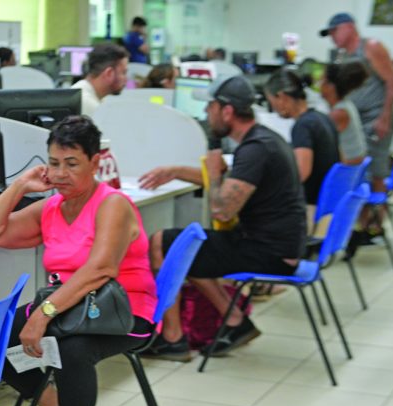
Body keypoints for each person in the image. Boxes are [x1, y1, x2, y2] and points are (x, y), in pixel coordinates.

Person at [0, 116, 157, 406]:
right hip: (73, 309)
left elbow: (101, 268)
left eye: (72, 164)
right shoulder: (51, 208)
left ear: (95, 162)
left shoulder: (113, 205)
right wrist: (21, 185)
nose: (61, 173)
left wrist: (42, 315)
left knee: (73, 351)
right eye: (54, 163)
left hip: (125, 311)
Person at [143, 75, 307, 361]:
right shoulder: (263, 139)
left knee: (165, 243)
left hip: (269, 252)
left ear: (227, 111)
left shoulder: (255, 149)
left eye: (211, 108)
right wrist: (177, 171)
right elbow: (234, 185)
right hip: (279, 246)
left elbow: (222, 209)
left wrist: (214, 174)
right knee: (193, 247)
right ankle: (234, 321)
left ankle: (173, 338)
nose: (207, 115)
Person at [321, 13, 393, 227]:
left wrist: (385, 117)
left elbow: (392, 81)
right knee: (361, 174)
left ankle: (375, 227)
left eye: (335, 31)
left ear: (349, 27)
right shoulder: (344, 55)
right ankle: (362, 222)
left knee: (376, 172)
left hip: (376, 118)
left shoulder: (371, 47)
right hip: (358, 119)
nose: (332, 37)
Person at [264, 69, 341, 213]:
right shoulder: (323, 118)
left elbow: (301, 173)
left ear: (282, 97)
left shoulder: (302, 126)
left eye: (272, 103)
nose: (274, 109)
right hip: (328, 203)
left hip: (309, 207)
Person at [320, 60, 369, 165]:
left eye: (322, 81)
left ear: (331, 87)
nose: (319, 85)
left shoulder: (339, 113)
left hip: (346, 169)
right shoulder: (346, 105)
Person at [71, 43, 128, 116]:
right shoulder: (89, 105)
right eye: (123, 72)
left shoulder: (86, 94)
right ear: (109, 73)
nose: (126, 79)